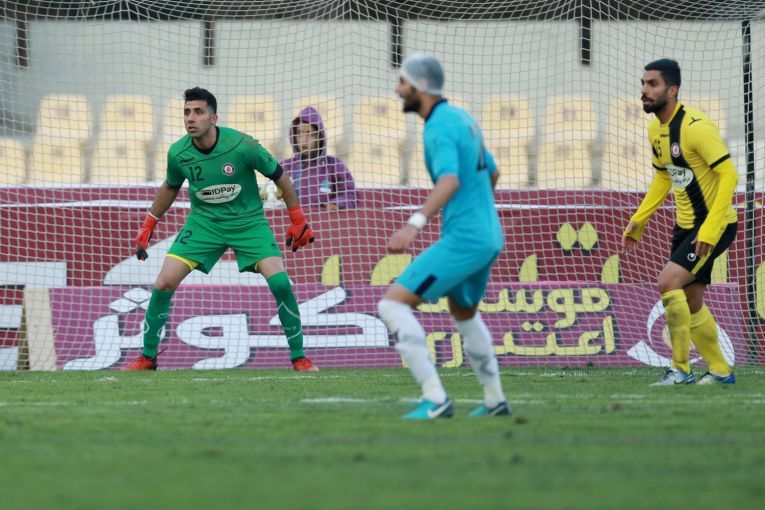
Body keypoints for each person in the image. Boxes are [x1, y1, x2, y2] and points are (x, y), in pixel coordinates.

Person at [125, 87, 318, 372]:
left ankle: (299, 357)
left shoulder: (243, 146)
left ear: (213, 118)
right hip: (204, 225)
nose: (191, 118)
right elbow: (170, 186)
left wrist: (298, 220)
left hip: (249, 224)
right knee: (164, 282)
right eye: (187, 112)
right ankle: (147, 357)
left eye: (198, 112)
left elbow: (281, 178)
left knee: (280, 283)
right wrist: (149, 223)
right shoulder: (178, 153)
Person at [376, 54, 510, 419]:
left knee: (392, 305)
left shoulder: (437, 127)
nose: (397, 89)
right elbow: (493, 173)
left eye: (402, 82)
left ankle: (435, 399)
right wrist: (476, 211)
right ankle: (495, 400)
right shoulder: (463, 118)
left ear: (420, 86)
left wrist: (413, 224)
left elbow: (449, 180)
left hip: (465, 239)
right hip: (488, 235)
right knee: (464, 314)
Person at [622, 59, 737, 386]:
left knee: (668, 282)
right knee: (691, 300)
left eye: (653, 84)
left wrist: (710, 229)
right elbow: (664, 177)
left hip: (713, 225)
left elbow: (729, 175)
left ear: (672, 90)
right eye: (643, 83)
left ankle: (680, 369)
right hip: (685, 225)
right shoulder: (654, 129)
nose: (644, 90)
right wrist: (639, 220)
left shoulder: (696, 127)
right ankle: (720, 370)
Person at [279, 106, 357, 210]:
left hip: (325, 220)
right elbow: (269, 194)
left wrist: (336, 203)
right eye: (299, 133)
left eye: (309, 134)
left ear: (319, 137)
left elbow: (350, 194)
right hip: (294, 220)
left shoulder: (334, 166)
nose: (304, 139)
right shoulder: (285, 167)